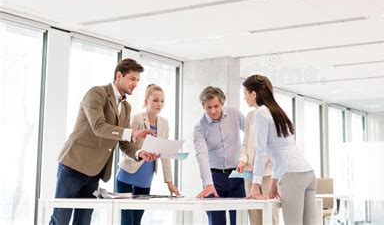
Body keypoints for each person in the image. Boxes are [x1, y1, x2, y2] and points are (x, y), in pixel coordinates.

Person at [50, 59, 158, 225]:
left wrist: (139, 152)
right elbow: (98, 127)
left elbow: (122, 140)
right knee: (61, 220)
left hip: (95, 171)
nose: (135, 84)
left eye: (137, 80)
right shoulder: (96, 93)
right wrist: (133, 132)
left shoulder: (126, 107)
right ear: (119, 75)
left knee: (83, 221)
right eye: (132, 79)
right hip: (73, 165)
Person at [243, 75, 317, 225]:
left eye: (245, 93)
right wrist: (275, 180)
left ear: (253, 94)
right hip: (308, 173)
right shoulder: (278, 111)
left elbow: (261, 151)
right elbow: (282, 147)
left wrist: (255, 185)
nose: (244, 98)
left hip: (292, 175)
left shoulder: (260, 113)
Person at [116, 84, 180, 225]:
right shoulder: (137, 118)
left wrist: (170, 182)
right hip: (127, 173)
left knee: (137, 220)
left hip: (145, 177)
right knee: (127, 220)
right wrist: (140, 152)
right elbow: (126, 145)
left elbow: (165, 154)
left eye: (162, 101)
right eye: (155, 100)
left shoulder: (164, 123)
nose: (159, 104)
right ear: (146, 101)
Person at [193, 86, 246, 225]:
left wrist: (245, 157)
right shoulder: (199, 127)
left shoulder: (234, 114)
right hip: (214, 179)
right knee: (216, 222)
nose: (213, 111)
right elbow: (201, 156)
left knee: (239, 221)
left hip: (237, 176)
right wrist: (208, 184)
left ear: (222, 103)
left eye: (216, 106)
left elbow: (252, 135)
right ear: (203, 106)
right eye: (208, 107)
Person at [237, 108, 279, 225]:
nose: (245, 97)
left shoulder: (273, 115)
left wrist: (259, 164)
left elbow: (272, 147)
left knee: (271, 215)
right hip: (249, 174)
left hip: (267, 174)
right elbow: (245, 144)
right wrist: (242, 160)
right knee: (254, 215)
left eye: (246, 93)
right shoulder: (250, 115)